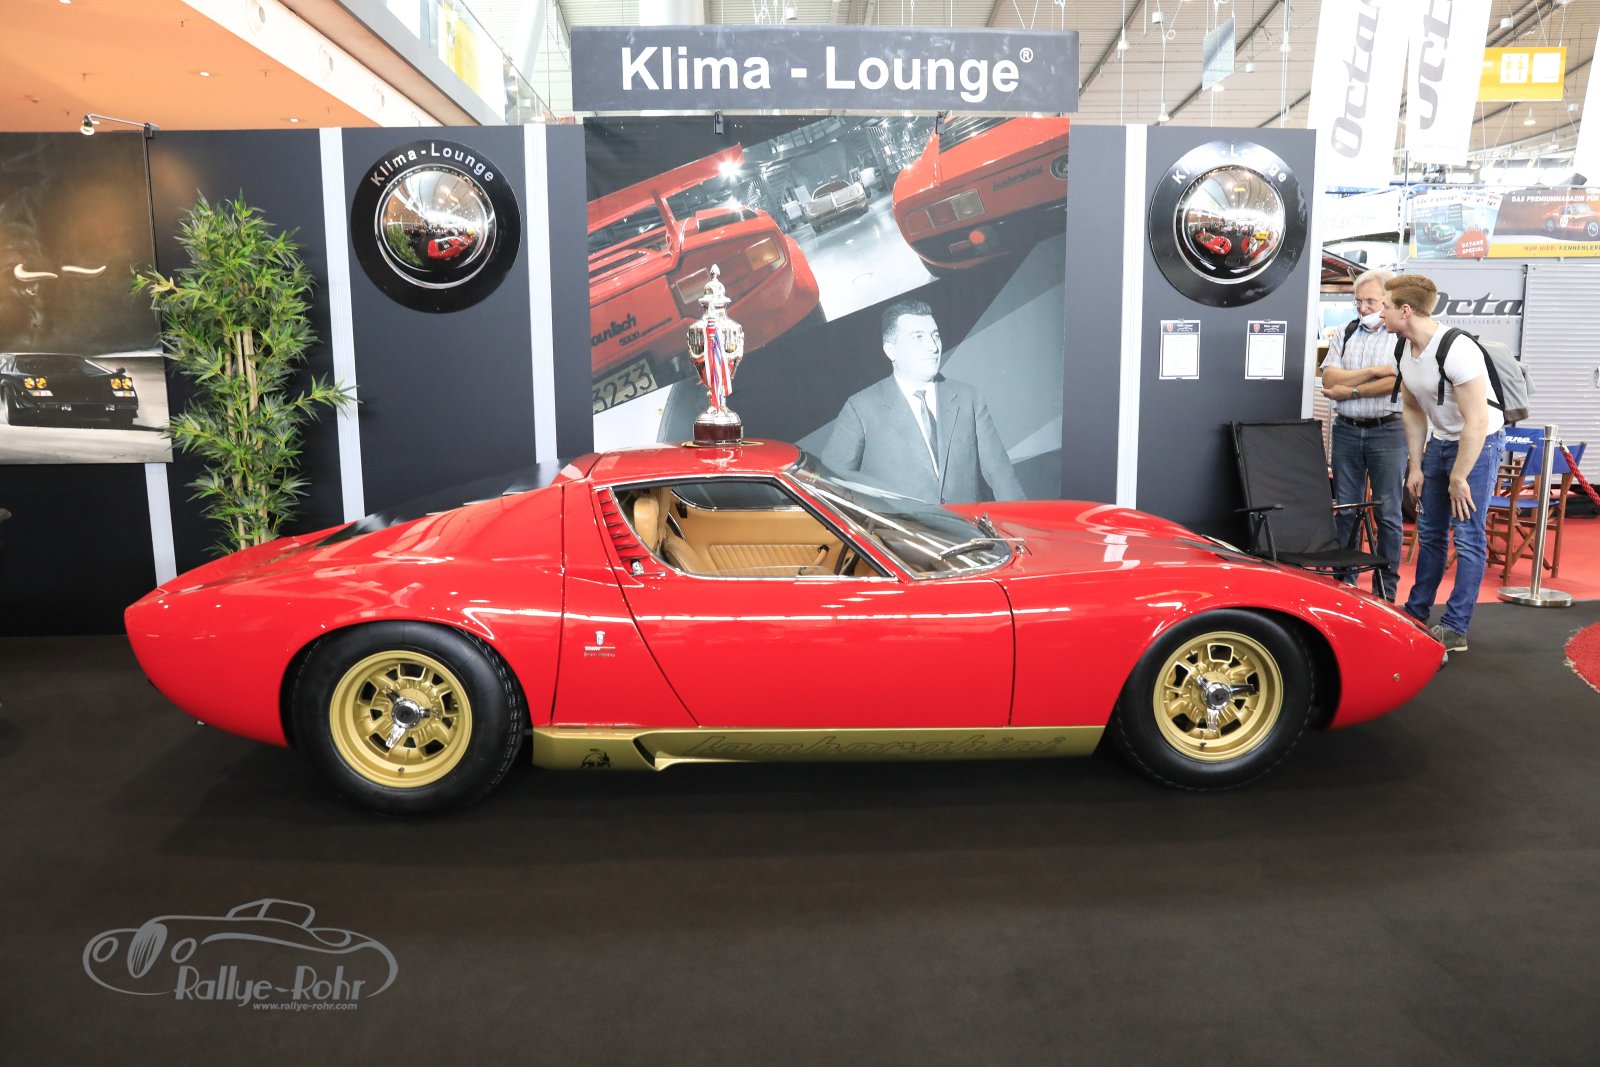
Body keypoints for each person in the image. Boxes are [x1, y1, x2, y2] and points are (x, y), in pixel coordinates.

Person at [1383, 273, 1506, 653]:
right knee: (1431, 533)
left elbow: (1478, 421)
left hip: (1478, 444)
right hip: (1440, 442)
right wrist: (1416, 465)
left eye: (1385, 307)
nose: (1381, 313)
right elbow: (1412, 410)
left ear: (1405, 310)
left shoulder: (1457, 349)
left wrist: (1460, 476)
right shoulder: (1404, 349)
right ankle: (1416, 612)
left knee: (1468, 537)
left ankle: (1455, 627)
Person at [821, 298, 1024, 503]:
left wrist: (1022, 521)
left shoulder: (969, 399)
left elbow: (1002, 476)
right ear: (890, 350)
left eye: (935, 336)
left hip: (966, 524)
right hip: (896, 525)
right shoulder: (860, 408)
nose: (933, 347)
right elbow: (830, 483)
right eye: (918, 337)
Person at [1319, 268, 1404, 601]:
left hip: (1388, 430)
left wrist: (1351, 389)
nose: (1363, 308)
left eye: (1370, 301)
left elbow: (1397, 381)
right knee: (1346, 509)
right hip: (1347, 431)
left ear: (1387, 300)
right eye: (1358, 302)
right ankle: (1345, 586)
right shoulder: (1346, 332)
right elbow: (1329, 379)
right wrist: (1372, 372)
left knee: (1388, 513)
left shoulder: (1401, 335)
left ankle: (1385, 593)